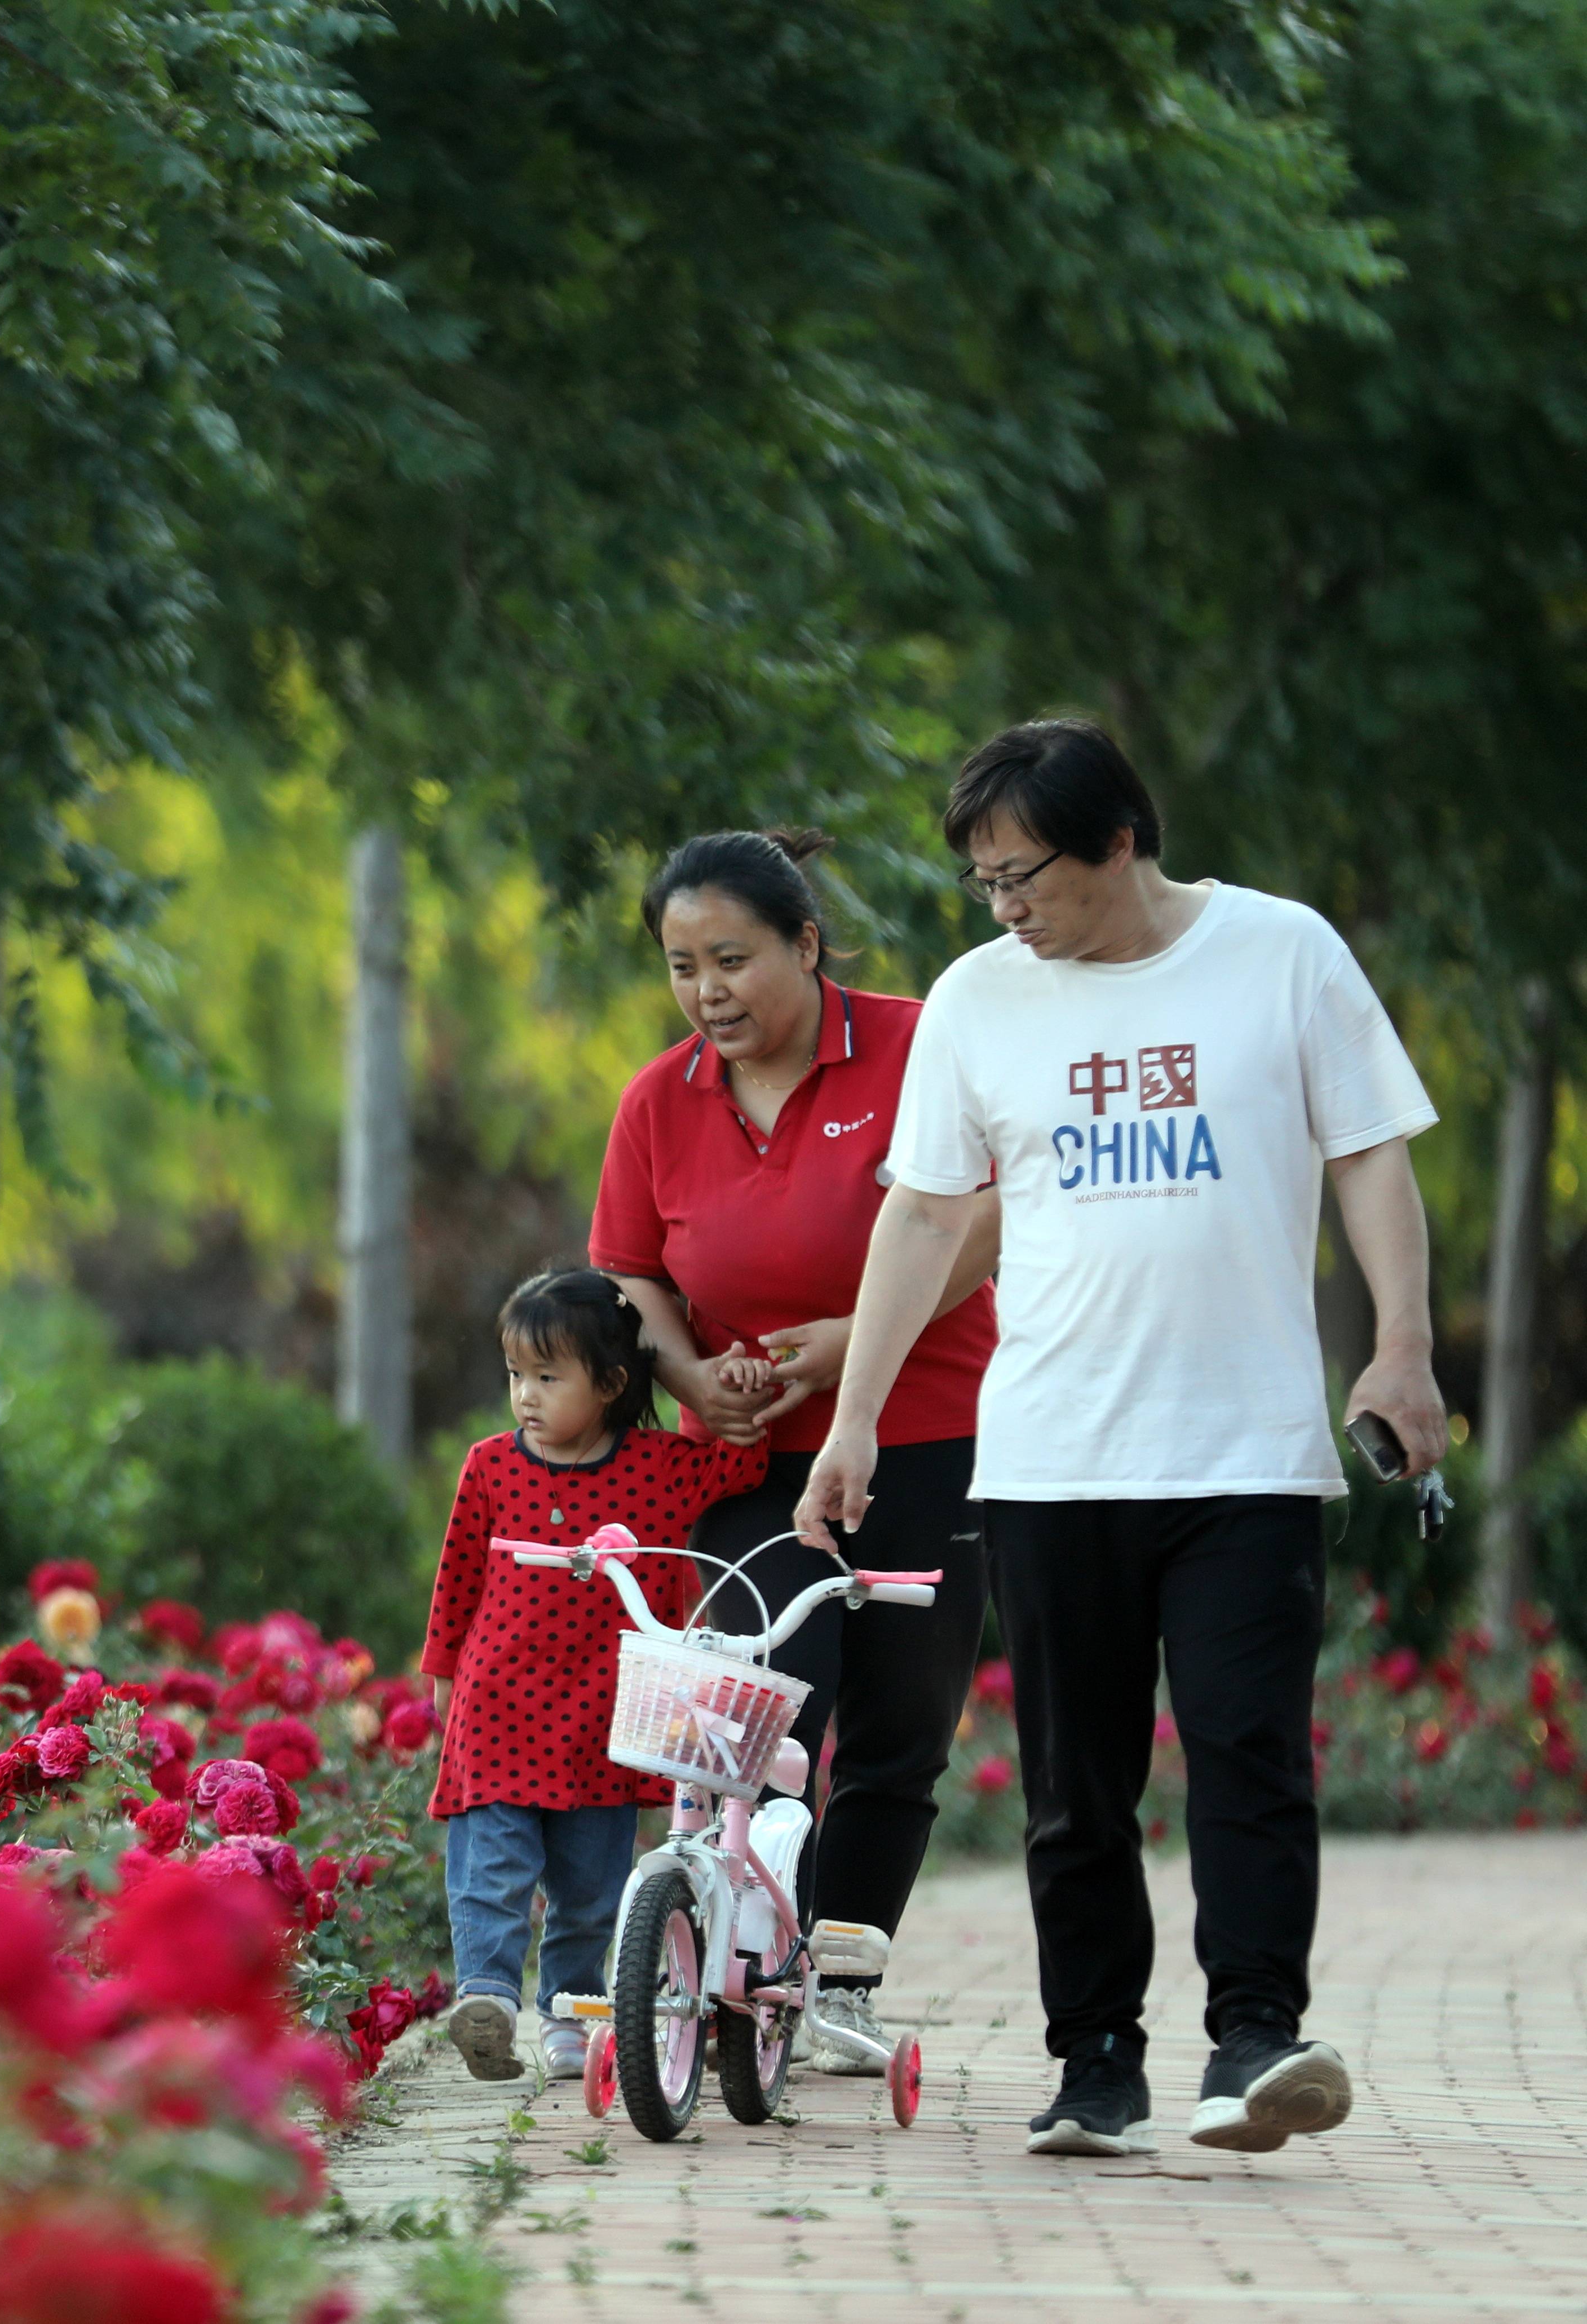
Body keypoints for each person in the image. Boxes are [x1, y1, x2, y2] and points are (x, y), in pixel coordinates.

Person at [797, 718, 1445, 2159]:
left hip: (1243, 1452)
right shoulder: (979, 1000)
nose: (1005, 908)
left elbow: (1368, 1149)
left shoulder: (1280, 954)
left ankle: (1255, 2042)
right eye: (980, 884)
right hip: (1046, 1456)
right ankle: (1092, 2062)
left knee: (1247, 1758)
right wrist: (851, 1419)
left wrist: (1400, 1344)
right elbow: (919, 1216)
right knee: (1071, 1786)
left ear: (1119, 841)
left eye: (1023, 874)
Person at [591, 829, 1002, 2077]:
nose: (706, 991)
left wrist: (848, 1346)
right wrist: (681, 1373)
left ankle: (839, 1976)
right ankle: (727, 1953)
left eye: (731, 959)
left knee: (896, 1729)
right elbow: (628, 1270)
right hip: (747, 1466)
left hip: (930, 1439)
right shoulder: (658, 1101)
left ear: (805, 945)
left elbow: (981, 1214)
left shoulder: (915, 1039)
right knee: (760, 1704)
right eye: (679, 967)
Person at [422, 1267, 766, 2082]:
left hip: (608, 1720)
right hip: (499, 1705)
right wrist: (443, 1674)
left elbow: (745, 1468)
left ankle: (570, 2013)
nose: (526, 1396)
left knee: (590, 1888)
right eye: (515, 1376)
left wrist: (745, 1384)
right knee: (492, 1868)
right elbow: (458, 1575)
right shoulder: (490, 1466)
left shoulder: (660, 1467)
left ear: (612, 1384)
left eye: (548, 1377)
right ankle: (489, 1997)